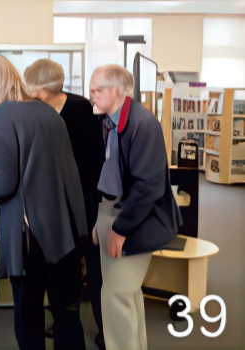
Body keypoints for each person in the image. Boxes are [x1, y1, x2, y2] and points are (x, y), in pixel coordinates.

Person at [0, 55, 88, 350]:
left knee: (28, 315)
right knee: (66, 315)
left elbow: (4, 183)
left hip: (29, 238)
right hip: (64, 233)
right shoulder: (47, 112)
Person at [90, 64, 180, 350]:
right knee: (124, 295)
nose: (91, 95)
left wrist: (119, 228)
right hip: (111, 211)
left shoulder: (143, 124)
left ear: (117, 91)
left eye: (98, 90)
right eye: (92, 89)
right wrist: (101, 220)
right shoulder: (109, 121)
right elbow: (110, 174)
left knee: (117, 294)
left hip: (132, 219)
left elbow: (148, 187)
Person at [24, 58, 106, 350]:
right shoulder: (36, 113)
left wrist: (87, 216)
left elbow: (93, 167)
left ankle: (97, 330)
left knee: (85, 275)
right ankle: (59, 320)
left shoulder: (83, 111)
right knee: (53, 275)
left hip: (80, 209)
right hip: (47, 210)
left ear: (42, 90)